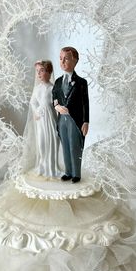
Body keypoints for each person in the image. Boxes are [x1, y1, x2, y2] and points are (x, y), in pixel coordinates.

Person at [52, 46, 89, 183]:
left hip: (75, 120)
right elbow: (55, 96)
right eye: (61, 59)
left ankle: (76, 173)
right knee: (65, 146)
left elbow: (85, 103)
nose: (62, 62)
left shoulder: (81, 83)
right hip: (62, 119)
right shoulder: (57, 82)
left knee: (75, 146)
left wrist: (85, 121)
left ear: (75, 61)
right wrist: (56, 106)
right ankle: (68, 171)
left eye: (66, 59)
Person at [24, 60, 61, 178]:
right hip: (41, 118)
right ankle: (43, 165)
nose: (39, 74)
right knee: (42, 142)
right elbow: (33, 102)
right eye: (37, 71)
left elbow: (57, 103)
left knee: (53, 141)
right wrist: (36, 111)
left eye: (42, 71)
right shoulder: (37, 88)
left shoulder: (53, 88)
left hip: (51, 117)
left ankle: (52, 167)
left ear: (49, 72)